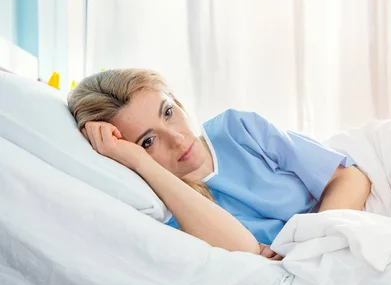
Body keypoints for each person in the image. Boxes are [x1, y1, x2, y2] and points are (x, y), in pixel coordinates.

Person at [67, 69, 371, 259]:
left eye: (168, 112)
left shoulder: (236, 129)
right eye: (148, 141)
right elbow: (247, 253)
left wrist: (307, 246)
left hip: (353, 225)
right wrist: (139, 162)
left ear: (177, 101)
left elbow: (351, 179)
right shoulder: (170, 206)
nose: (175, 138)